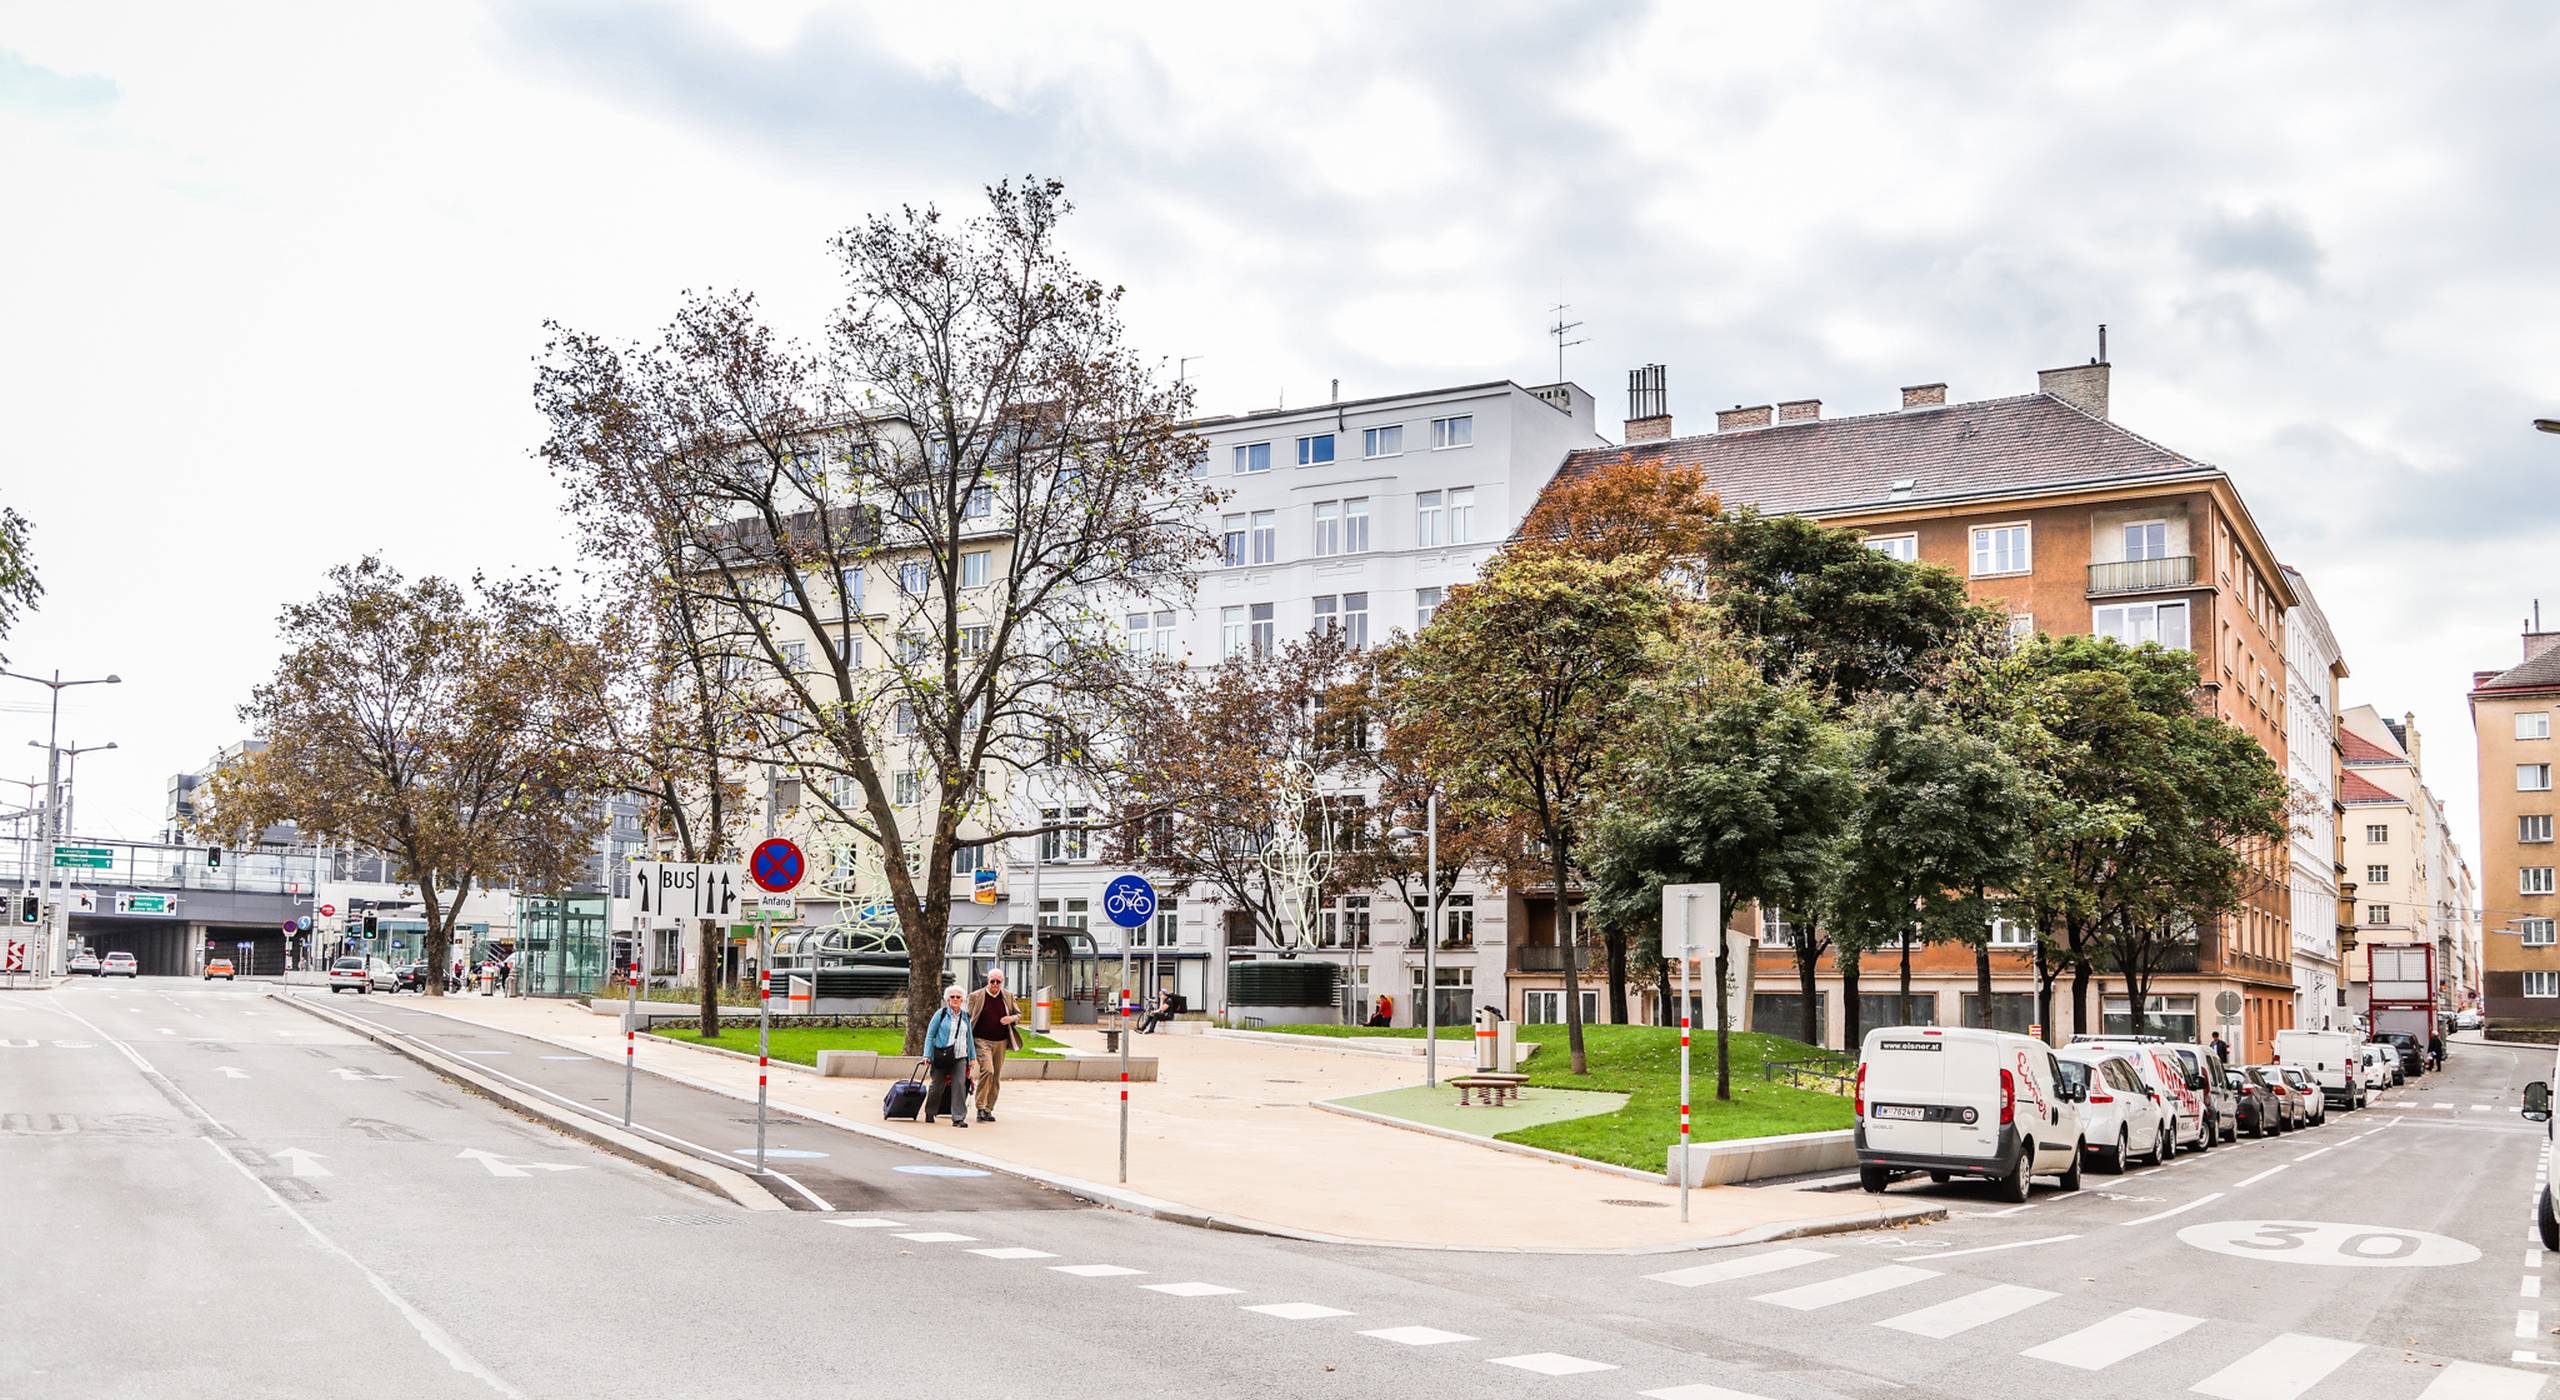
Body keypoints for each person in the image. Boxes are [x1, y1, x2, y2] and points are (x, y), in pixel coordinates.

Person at [964, 968, 1024, 1123]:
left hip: (1001, 1042)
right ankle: (980, 1107)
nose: (995, 984)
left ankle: (989, 1109)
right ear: (988, 981)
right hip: (981, 1040)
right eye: (993, 981)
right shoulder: (976, 996)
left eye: (999, 981)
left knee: (996, 1075)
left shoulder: (1008, 996)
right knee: (988, 1070)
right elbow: (968, 1018)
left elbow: (1019, 1015)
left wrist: (1011, 1018)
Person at [923, 986, 974, 1127]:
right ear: (947, 999)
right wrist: (927, 1055)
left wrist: (972, 1057)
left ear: (962, 999)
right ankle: (930, 1111)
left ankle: (958, 1117)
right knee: (937, 1086)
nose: (955, 999)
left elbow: (969, 1038)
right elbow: (930, 1036)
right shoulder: (941, 1014)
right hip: (942, 1055)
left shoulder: (965, 1016)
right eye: (952, 997)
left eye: (958, 997)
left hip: (960, 1057)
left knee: (959, 1085)